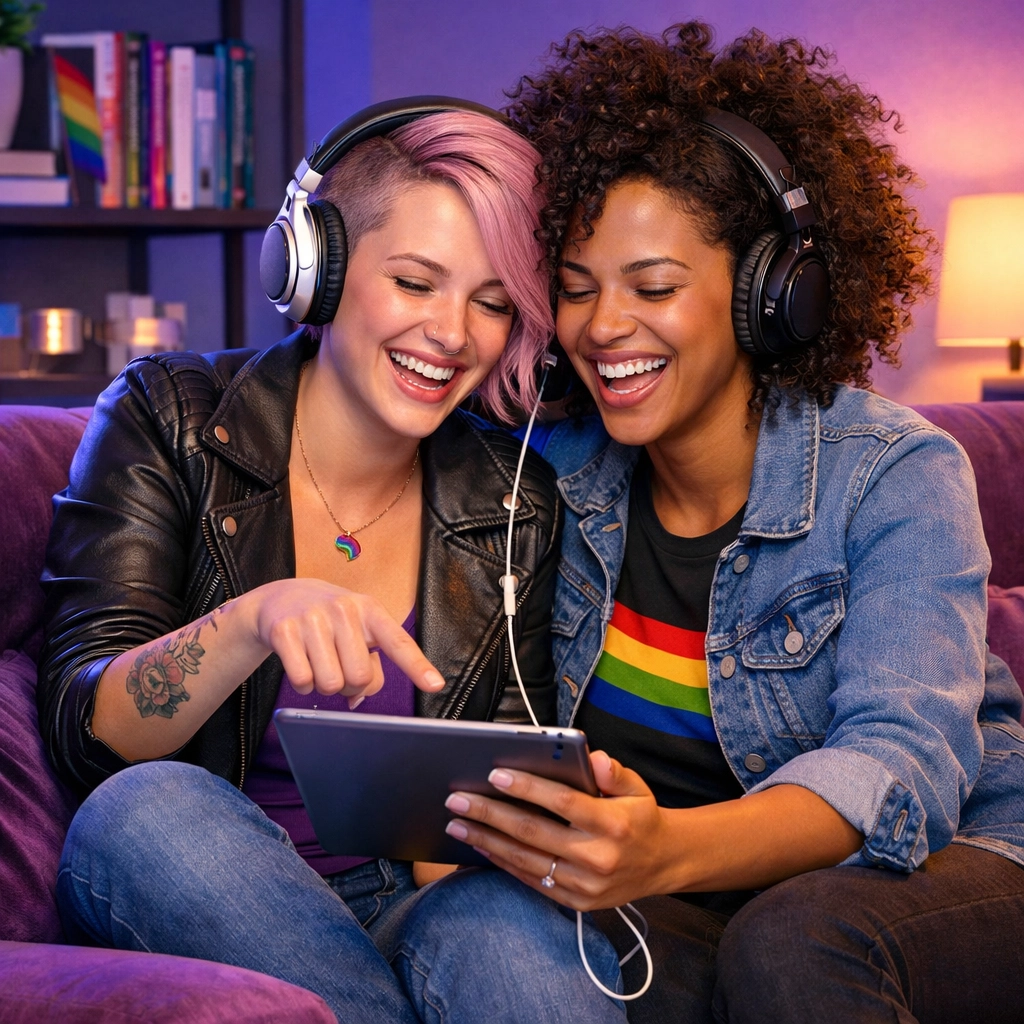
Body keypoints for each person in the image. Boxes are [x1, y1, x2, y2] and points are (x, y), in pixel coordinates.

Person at [404, 24, 1024, 1023]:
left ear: (771, 295)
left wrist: (667, 851)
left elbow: (900, 765)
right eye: (575, 290)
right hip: (699, 898)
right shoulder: (543, 466)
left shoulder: (894, 472)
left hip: (960, 863)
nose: (603, 327)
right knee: (524, 931)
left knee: (794, 937)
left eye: (652, 287)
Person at [37, 104, 611, 1024]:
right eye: (415, 282)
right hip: (197, 874)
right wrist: (253, 619)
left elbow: (474, 811)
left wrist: (543, 829)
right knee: (147, 806)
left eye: (493, 302)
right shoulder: (167, 415)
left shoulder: (513, 496)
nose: (452, 334)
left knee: (506, 923)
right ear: (316, 270)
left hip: (409, 898)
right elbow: (87, 733)